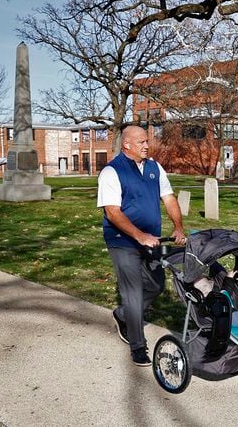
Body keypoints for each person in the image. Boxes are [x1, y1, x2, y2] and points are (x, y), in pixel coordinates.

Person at [97, 125, 186, 366]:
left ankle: (123, 314)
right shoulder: (111, 172)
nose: (147, 145)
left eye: (147, 141)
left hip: (151, 239)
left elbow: (168, 199)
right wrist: (138, 235)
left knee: (156, 286)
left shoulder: (155, 168)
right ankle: (138, 347)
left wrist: (178, 227)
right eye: (141, 142)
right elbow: (113, 213)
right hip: (122, 240)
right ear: (126, 144)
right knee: (133, 293)